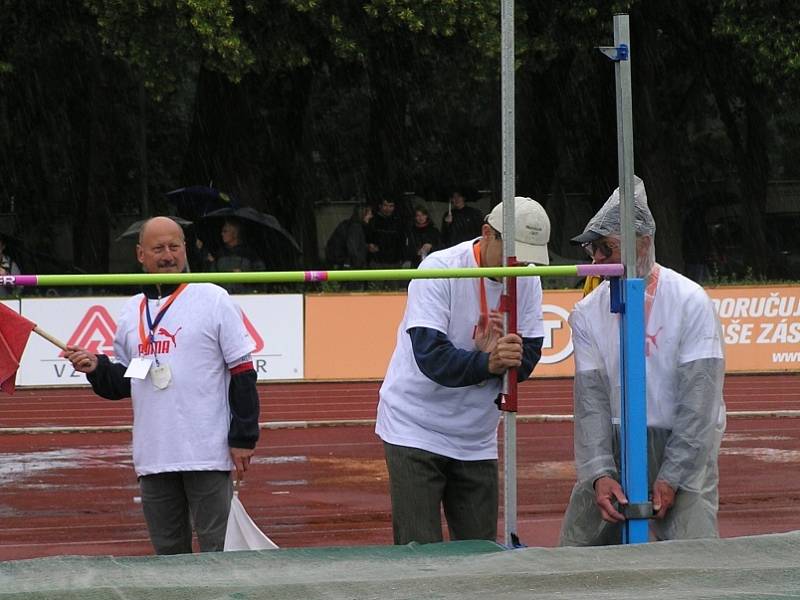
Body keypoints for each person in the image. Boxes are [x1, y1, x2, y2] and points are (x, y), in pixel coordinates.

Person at [64, 216, 260, 555]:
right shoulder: (131, 312)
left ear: (185, 250)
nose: (167, 255)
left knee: (220, 554)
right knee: (168, 558)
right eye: (157, 249)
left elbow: (243, 372)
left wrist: (244, 437)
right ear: (141, 255)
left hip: (206, 453)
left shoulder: (213, 299)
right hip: (154, 457)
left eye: (174, 246)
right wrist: (96, 368)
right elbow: (128, 382)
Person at [558, 176, 726, 546]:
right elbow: (591, 404)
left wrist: (673, 474)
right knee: (578, 554)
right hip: (616, 443)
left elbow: (699, 401)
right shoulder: (587, 312)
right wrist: (600, 473)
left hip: (682, 444)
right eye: (592, 251)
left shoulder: (690, 301)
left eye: (606, 248)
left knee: (692, 558)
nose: (598, 261)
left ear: (643, 243)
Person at [375, 197, 551, 545]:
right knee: (418, 553)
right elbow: (430, 357)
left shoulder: (526, 277)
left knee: (478, 554)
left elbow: (528, 354)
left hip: (476, 438)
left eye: (530, 257)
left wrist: (509, 358)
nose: (520, 264)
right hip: (415, 428)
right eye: (514, 253)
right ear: (487, 234)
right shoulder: (439, 269)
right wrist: (488, 362)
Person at [204, 218, 265, 293]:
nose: (222, 234)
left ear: (235, 233)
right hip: (224, 296)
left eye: (225, 231)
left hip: (246, 297)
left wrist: (244, 275)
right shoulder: (219, 253)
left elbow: (261, 276)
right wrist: (209, 263)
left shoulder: (250, 253)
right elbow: (212, 277)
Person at [325, 204, 373, 269]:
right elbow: (352, 249)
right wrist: (358, 266)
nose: (371, 216)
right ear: (363, 214)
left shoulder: (349, 224)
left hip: (341, 263)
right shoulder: (355, 227)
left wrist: (366, 247)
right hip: (346, 265)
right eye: (369, 214)